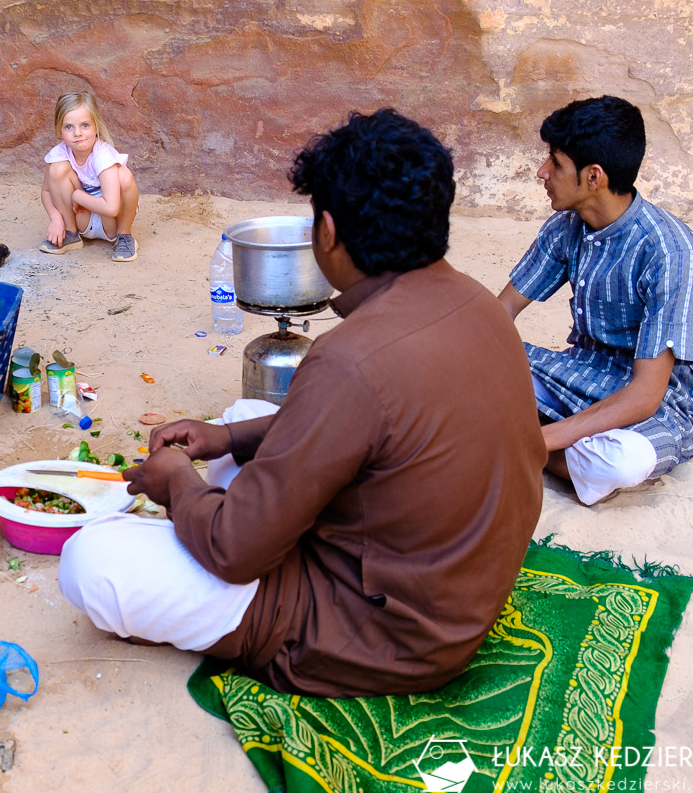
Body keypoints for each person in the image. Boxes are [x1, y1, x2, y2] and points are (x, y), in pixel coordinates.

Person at [58, 109, 547, 699]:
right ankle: (231, 457)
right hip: (452, 599)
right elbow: (369, 427)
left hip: (376, 636)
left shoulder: (350, 359)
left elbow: (235, 552)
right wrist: (228, 440)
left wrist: (179, 483)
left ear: (329, 233)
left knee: (91, 560)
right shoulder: (479, 304)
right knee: (241, 420)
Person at [498, 96, 693, 506]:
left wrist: (535, 439)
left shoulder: (670, 254)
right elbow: (500, 315)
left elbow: (645, 394)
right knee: (474, 367)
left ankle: (522, 442)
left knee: (621, 462)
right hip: (580, 373)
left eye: (556, 163)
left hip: (657, 403)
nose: (541, 173)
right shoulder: (566, 227)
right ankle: (547, 450)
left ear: (594, 176)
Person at [39, 91, 140, 262]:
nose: (77, 133)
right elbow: (47, 191)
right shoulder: (59, 154)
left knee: (124, 176)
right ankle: (70, 233)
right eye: (69, 127)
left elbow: (111, 208)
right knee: (57, 170)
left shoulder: (102, 155)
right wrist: (56, 218)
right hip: (82, 218)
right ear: (59, 129)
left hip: (111, 223)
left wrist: (77, 195)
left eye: (85, 125)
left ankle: (124, 236)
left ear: (96, 126)